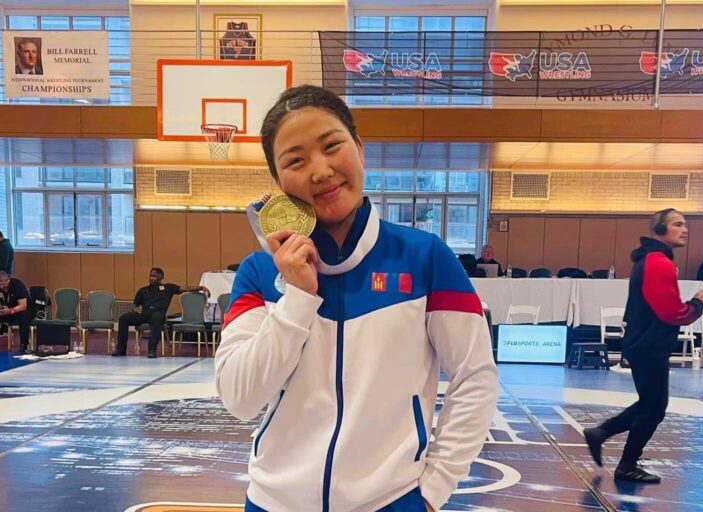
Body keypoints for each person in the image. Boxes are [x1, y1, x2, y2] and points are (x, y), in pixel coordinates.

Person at [215, 85, 498, 511]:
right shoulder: (258, 273)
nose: (321, 170)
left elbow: (475, 376)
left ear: (359, 149)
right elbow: (240, 398)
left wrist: (432, 491)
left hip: (392, 501)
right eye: (296, 160)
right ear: (278, 181)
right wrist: (297, 296)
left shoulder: (425, 258)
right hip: (273, 502)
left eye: (332, 146)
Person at [583, 208, 703, 483]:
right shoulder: (658, 262)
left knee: (651, 405)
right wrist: (697, 304)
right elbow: (671, 312)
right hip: (649, 344)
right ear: (661, 230)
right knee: (654, 408)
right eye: (677, 224)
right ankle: (625, 465)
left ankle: (601, 434)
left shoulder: (653, 259)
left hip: (644, 342)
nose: (685, 229)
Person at [112, 267, 209, 358]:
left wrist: (200, 288)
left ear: (161, 278)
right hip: (144, 313)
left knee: (156, 318)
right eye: (150, 276)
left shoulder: (168, 288)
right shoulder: (143, 290)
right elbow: (135, 305)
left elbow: (185, 288)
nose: (151, 278)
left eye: (154, 276)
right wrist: (135, 309)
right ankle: (120, 350)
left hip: (158, 312)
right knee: (123, 318)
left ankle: (152, 350)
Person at [0, 270, 31, 353]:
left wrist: (10, 311)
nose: (1, 286)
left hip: (23, 310)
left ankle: (24, 345)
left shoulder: (17, 285)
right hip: (7, 310)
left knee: (23, 315)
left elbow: (23, 305)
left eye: (3, 284)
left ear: (8, 280)